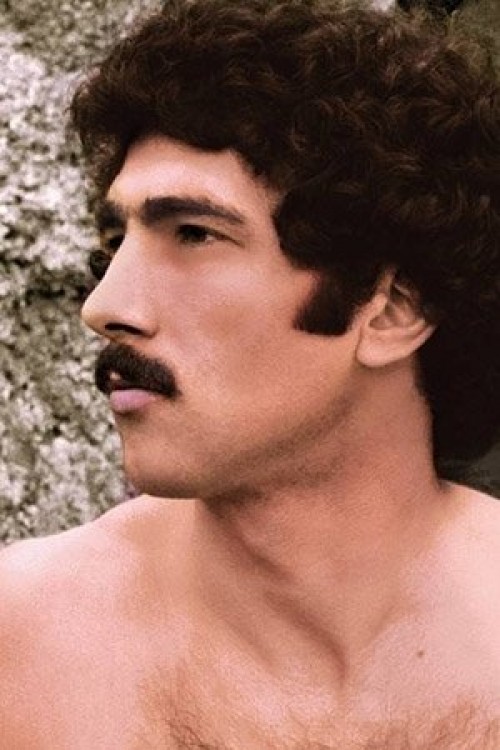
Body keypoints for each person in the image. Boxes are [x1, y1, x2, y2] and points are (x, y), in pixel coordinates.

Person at [1, 0, 499, 747]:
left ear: (392, 309)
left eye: (194, 234)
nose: (103, 307)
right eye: (112, 243)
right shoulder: (23, 646)